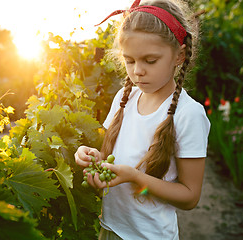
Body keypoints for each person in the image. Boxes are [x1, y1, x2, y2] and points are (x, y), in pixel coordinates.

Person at [74, 0, 211, 239]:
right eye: (130, 60)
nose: (137, 71)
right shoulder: (124, 98)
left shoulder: (188, 114)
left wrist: (136, 177)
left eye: (150, 61)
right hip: (109, 229)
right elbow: (112, 155)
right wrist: (93, 157)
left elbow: (190, 197)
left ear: (179, 55)